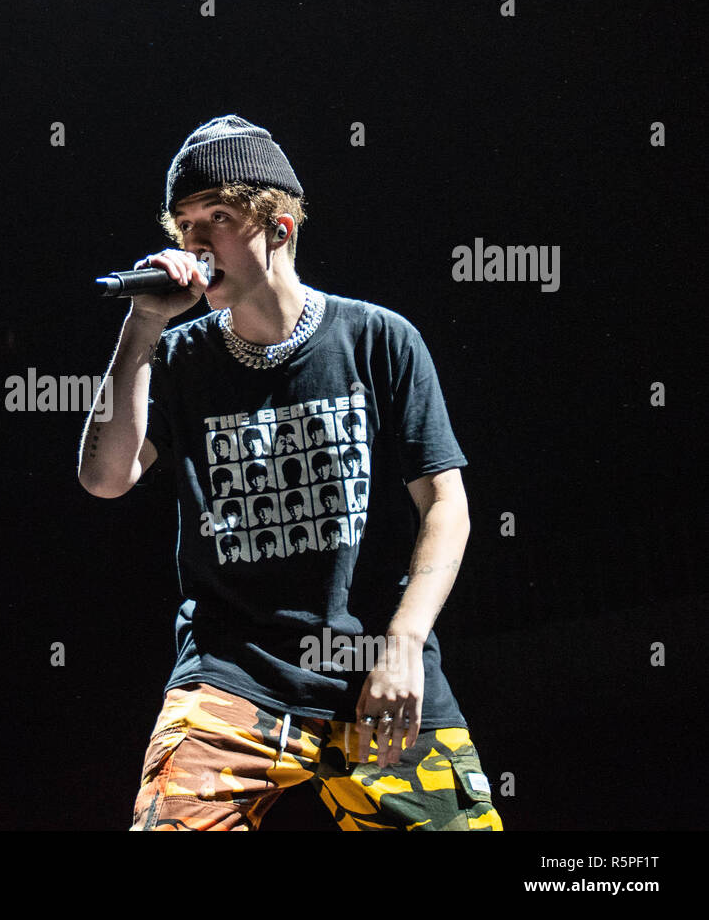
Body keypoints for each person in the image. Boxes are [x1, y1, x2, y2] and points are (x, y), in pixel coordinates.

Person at [77, 115, 501, 831]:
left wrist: (402, 645)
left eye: (217, 215)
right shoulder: (178, 360)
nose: (196, 241)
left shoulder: (380, 340)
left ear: (279, 228)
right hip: (232, 670)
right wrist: (141, 328)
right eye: (185, 223)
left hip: (374, 663)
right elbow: (105, 478)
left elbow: (446, 506)